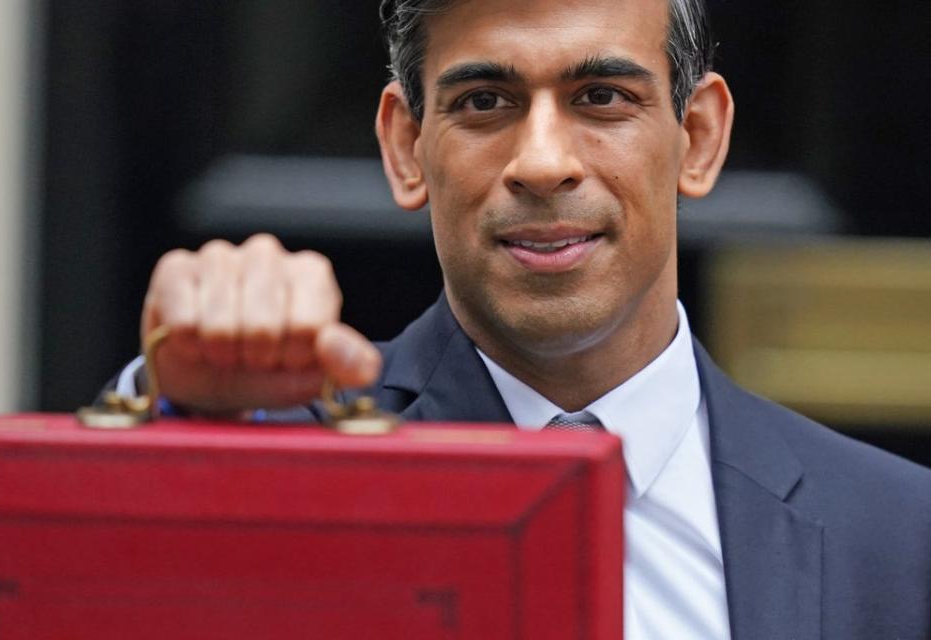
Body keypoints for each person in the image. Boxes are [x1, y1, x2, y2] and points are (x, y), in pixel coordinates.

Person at [112, 0, 931, 637]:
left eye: (602, 96)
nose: (542, 162)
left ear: (698, 137)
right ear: (405, 147)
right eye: (485, 100)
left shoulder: (898, 539)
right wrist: (172, 422)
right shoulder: (272, 462)